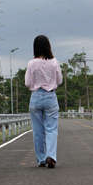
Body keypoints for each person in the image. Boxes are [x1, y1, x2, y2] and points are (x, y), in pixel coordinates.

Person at [25, 35, 63, 168]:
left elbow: (27, 83)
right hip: (50, 96)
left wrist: (35, 86)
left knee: (37, 131)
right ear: (48, 46)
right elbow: (59, 81)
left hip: (36, 97)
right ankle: (51, 156)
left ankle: (41, 159)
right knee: (51, 129)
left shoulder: (31, 63)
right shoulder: (54, 62)